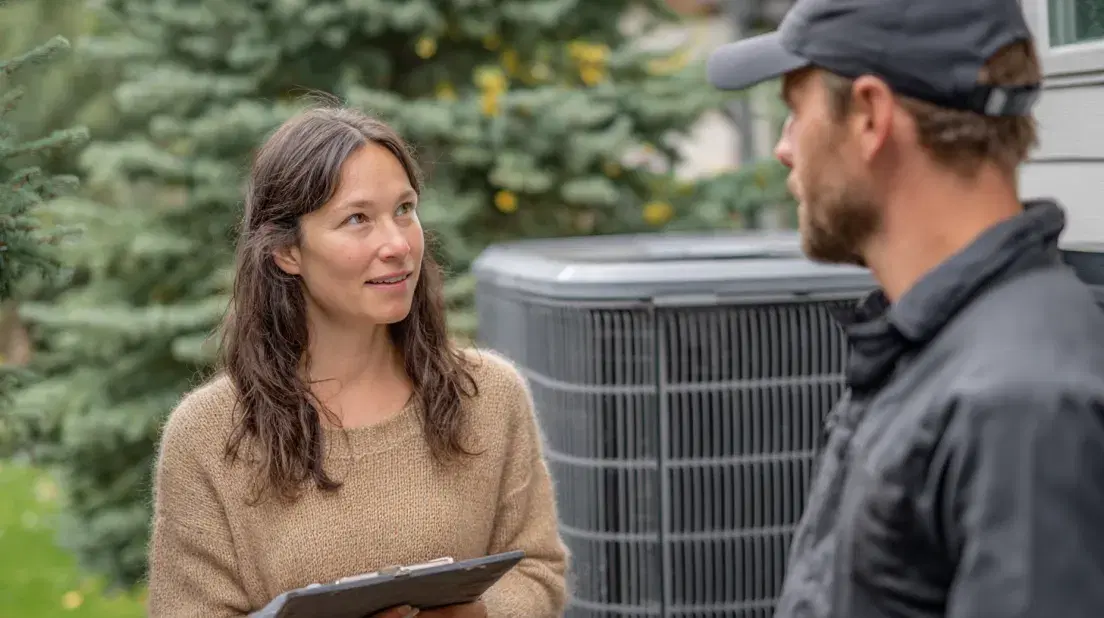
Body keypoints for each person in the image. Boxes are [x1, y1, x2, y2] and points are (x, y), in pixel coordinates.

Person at [706, 0, 1104, 616]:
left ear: (870, 115)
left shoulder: (1020, 400)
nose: (784, 147)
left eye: (796, 110)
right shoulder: (935, 345)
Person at [145, 104, 569, 618]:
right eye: (357, 219)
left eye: (405, 209)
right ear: (287, 252)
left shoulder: (489, 395)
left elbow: (539, 570)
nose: (397, 244)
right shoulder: (208, 435)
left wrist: (478, 614)